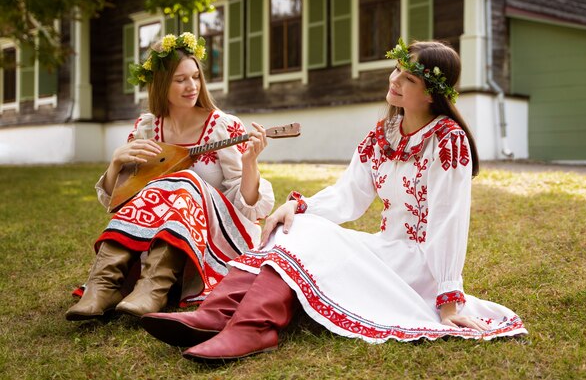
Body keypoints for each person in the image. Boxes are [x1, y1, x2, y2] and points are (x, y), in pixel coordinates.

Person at [140, 38, 527, 361]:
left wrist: (448, 301)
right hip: (384, 248)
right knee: (296, 224)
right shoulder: (385, 134)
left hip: (416, 264)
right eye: (397, 70)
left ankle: (252, 329)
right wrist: (298, 206)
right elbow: (349, 196)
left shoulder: (447, 141)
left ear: (430, 94)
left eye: (407, 78)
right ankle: (216, 315)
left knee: (304, 236)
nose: (394, 81)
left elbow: (448, 221)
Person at [65, 32, 274, 320]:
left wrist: (250, 163)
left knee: (184, 180)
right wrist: (115, 163)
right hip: (157, 235)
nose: (192, 86)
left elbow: (248, 207)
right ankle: (103, 286)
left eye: (196, 77)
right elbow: (122, 200)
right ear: (162, 84)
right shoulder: (147, 128)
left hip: (217, 236)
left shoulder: (223, 126)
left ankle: (154, 288)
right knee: (160, 186)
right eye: (180, 79)